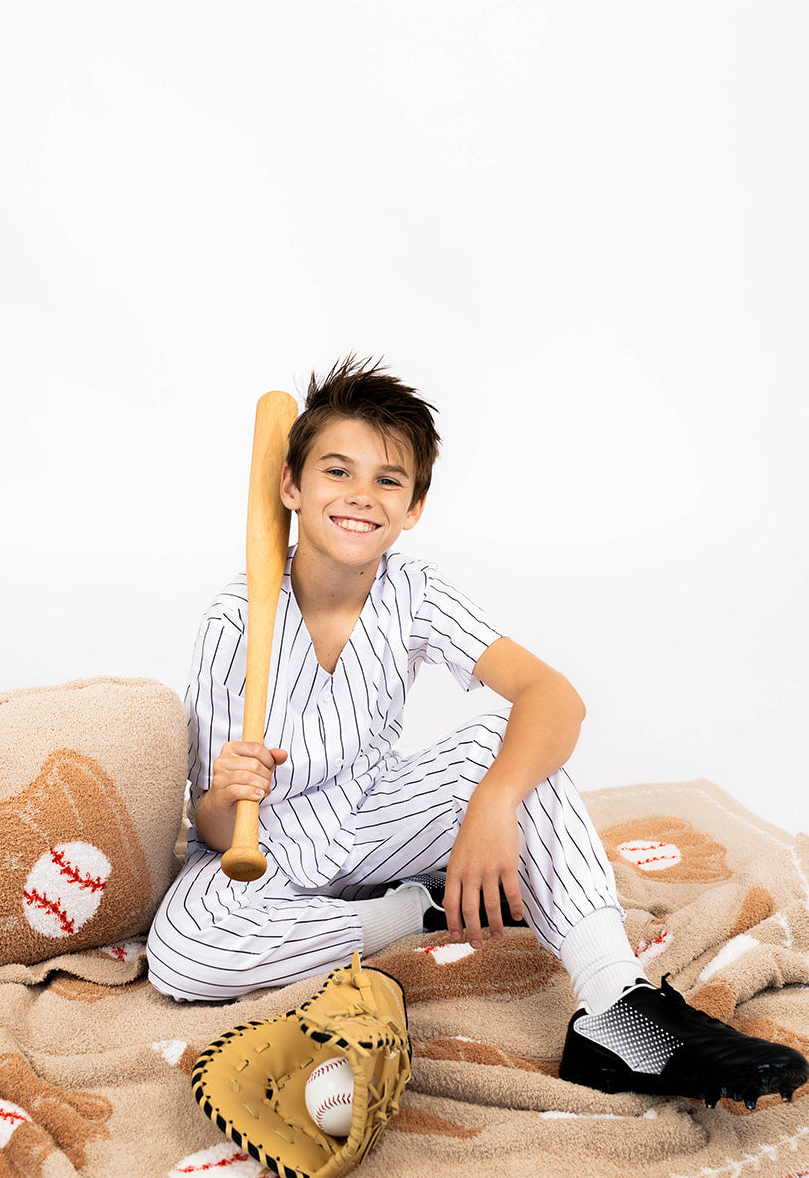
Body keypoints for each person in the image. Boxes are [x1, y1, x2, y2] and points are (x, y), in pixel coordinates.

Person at [146, 353, 807, 1108]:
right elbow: (212, 826)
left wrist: (492, 804)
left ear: (413, 507)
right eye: (336, 471)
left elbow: (553, 696)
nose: (360, 495)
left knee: (509, 741)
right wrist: (224, 796)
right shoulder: (234, 622)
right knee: (182, 956)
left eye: (387, 480)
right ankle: (412, 911)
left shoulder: (413, 590)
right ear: (291, 488)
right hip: (270, 849)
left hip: (376, 816)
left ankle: (616, 1007)